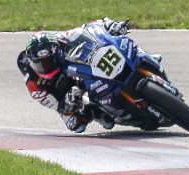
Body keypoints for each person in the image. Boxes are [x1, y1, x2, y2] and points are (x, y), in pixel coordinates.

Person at [16, 17, 157, 133]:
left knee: (118, 44)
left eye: (48, 61)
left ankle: (144, 59)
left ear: (56, 52)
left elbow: (90, 28)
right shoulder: (35, 86)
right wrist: (69, 101)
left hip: (75, 68)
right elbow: (59, 107)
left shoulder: (61, 40)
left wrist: (110, 25)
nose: (45, 66)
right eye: (41, 63)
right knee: (76, 125)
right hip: (61, 92)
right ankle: (96, 111)